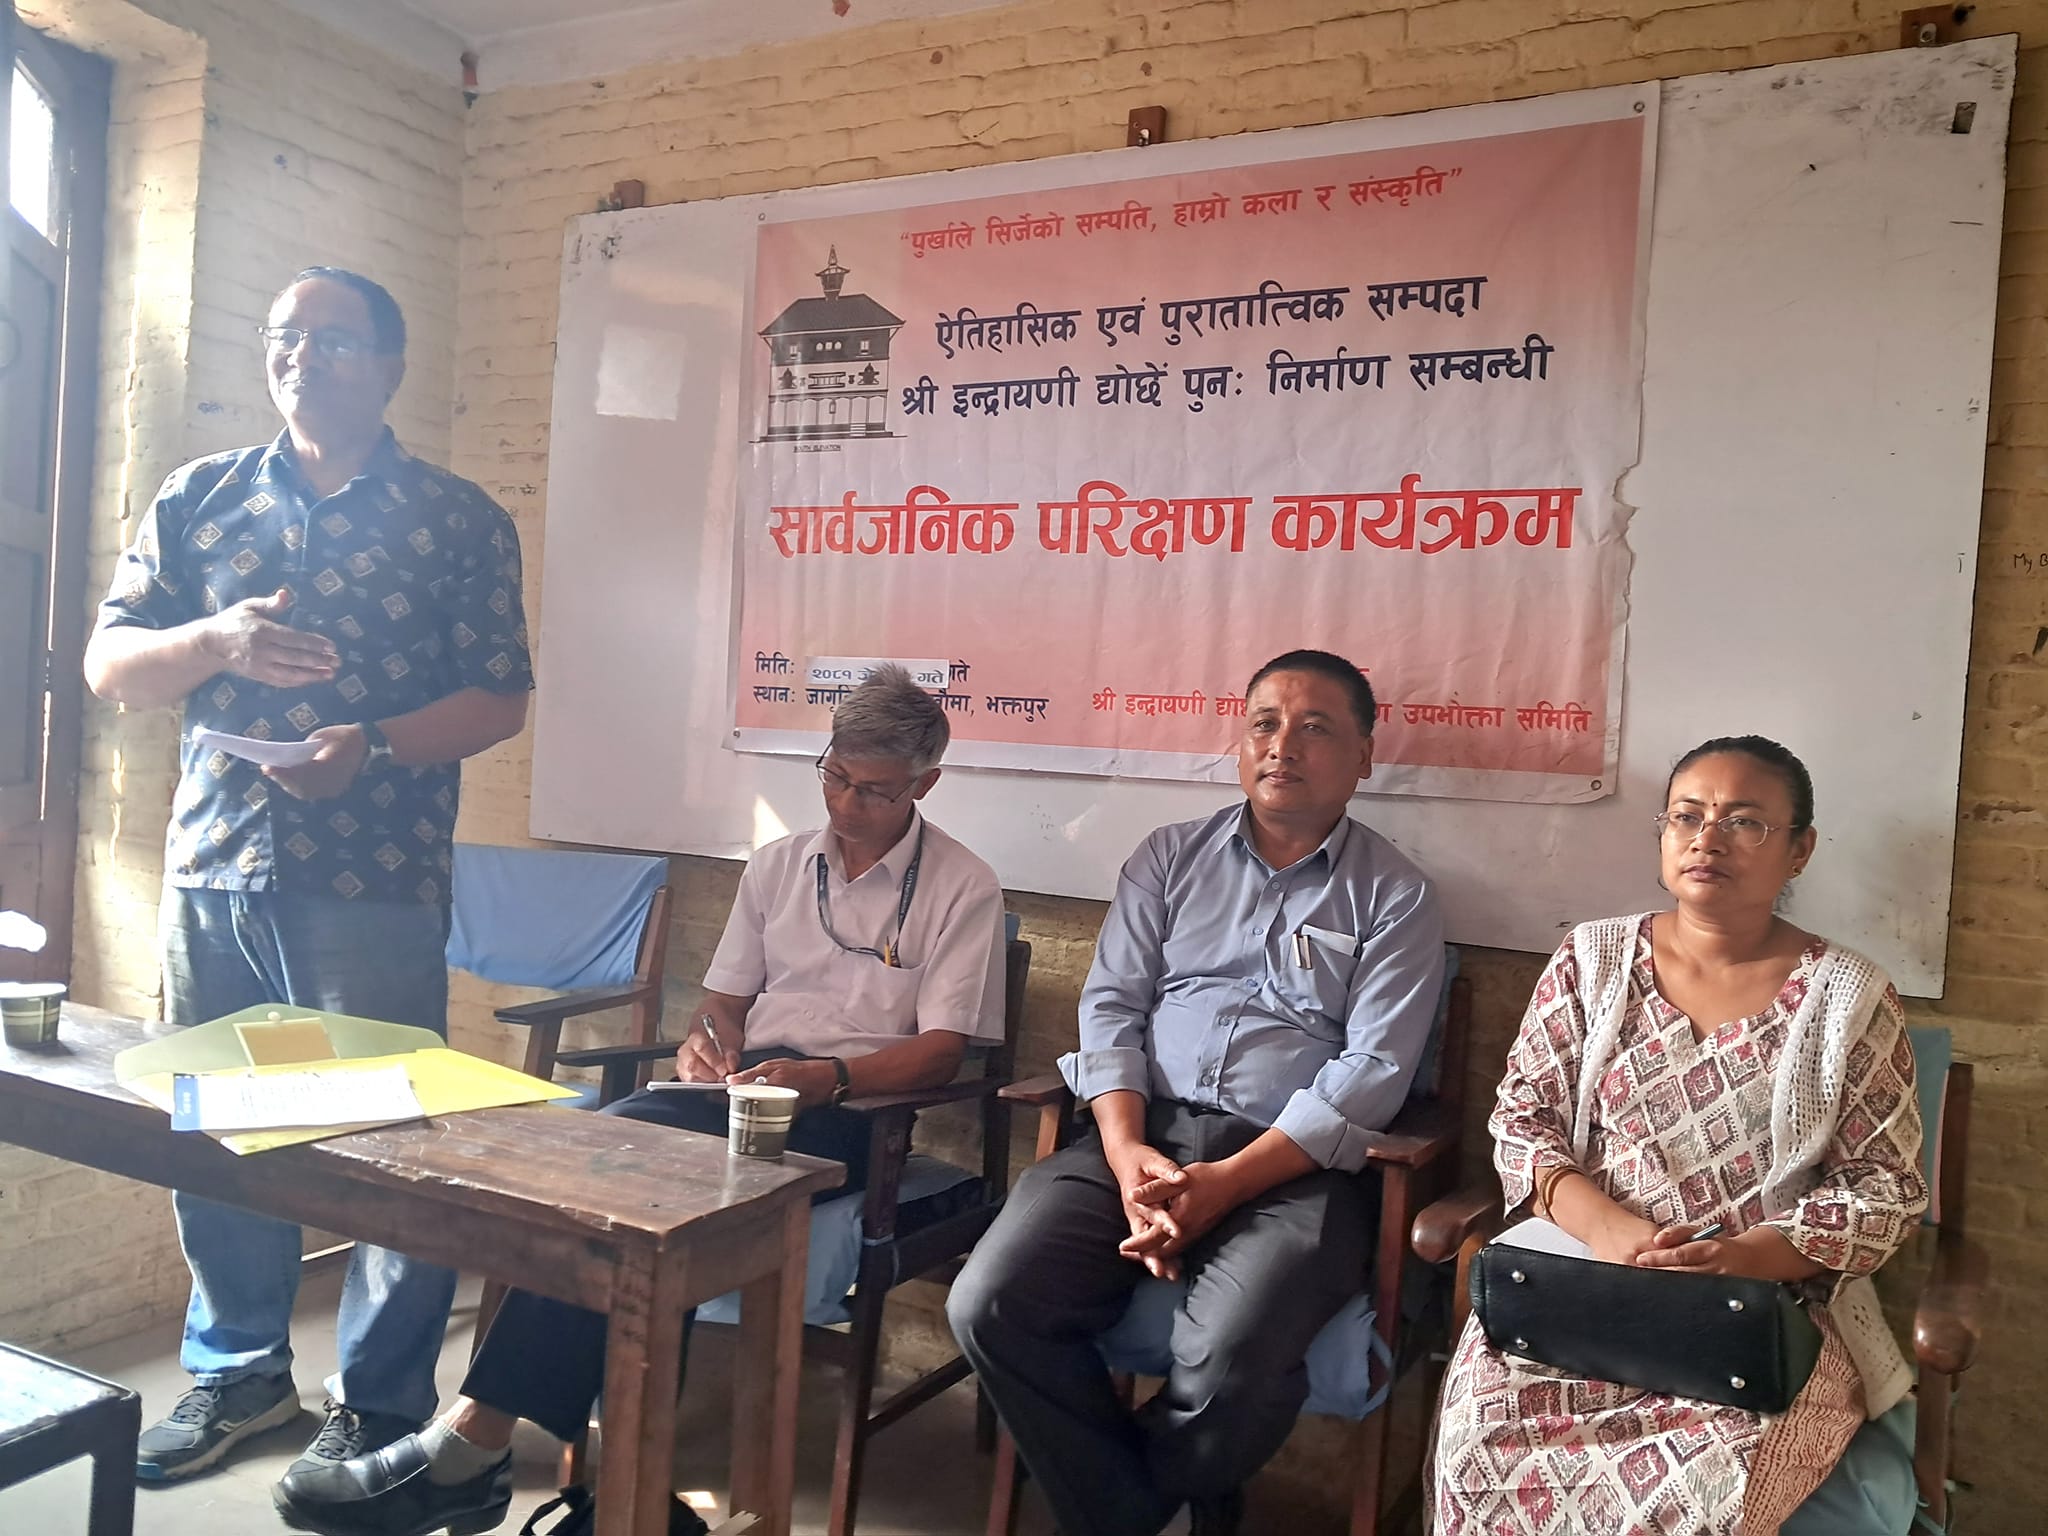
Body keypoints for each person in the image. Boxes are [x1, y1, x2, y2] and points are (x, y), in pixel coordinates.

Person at [273, 665, 1009, 1536]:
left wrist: (831, 1079)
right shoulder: (779, 864)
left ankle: (478, 1451)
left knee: (652, 1182)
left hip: (852, 1111)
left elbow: (943, 1049)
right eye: (835, 776)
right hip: (742, 1087)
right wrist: (708, 1041)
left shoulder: (963, 885)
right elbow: (724, 1001)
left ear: (925, 784)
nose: (846, 804)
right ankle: (606, 1487)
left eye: (874, 791)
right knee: (608, 1159)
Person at [83, 267, 533, 1487]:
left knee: (387, 1141)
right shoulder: (201, 495)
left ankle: (379, 1404)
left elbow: (499, 696)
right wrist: (214, 639)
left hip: (371, 880)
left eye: (335, 339)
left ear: (391, 365)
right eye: (286, 336)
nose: (303, 356)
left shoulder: (456, 518)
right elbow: (111, 666)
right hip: (215, 867)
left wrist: (370, 746)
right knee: (223, 1132)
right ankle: (240, 1375)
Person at [948, 648, 1445, 1536]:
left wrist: (1227, 1184)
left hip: (1291, 1170)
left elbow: (1374, 1070)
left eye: (1315, 728)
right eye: (1265, 724)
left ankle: (1133, 1509)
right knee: (988, 1303)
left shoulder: (1396, 896)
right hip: (1139, 1136)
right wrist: (1126, 1151)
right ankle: (1159, 1510)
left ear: (1365, 755)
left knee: (1230, 1359)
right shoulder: (1169, 858)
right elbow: (1111, 1009)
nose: (1282, 746)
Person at [1432, 735, 1928, 1535]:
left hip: (1751, 1318)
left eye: (1744, 822)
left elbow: (1885, 1189)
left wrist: (1743, 1255)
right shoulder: (1591, 960)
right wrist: (1612, 1231)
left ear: (1799, 850)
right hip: (1580, 1293)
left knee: (1698, 1495)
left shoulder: (1849, 998)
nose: (1707, 839)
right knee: (1481, 1446)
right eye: (1687, 817)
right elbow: (1523, 1123)